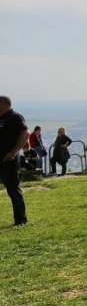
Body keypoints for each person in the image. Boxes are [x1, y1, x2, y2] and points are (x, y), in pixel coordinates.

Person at [0, 96, 29, 226]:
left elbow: (25, 134)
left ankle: (20, 220)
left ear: (4, 104)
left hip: (9, 160)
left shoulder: (15, 117)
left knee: (12, 189)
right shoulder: (1, 118)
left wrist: (13, 152)